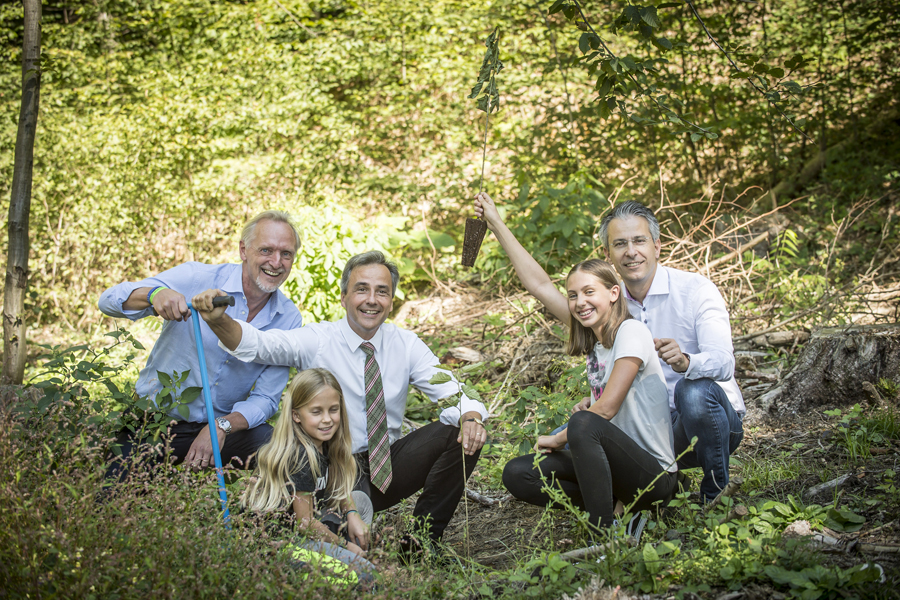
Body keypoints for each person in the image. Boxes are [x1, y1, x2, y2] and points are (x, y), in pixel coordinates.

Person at [191, 250, 489, 553]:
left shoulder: (406, 344)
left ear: (391, 301)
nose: (371, 299)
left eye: (381, 292)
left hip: (385, 464)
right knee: (345, 532)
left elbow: (455, 392)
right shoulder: (318, 339)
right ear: (344, 296)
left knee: (460, 433)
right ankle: (340, 526)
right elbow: (258, 345)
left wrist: (471, 418)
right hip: (333, 468)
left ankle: (421, 546)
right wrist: (219, 321)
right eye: (362, 289)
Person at [479, 193, 745, 503]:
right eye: (620, 244)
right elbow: (541, 288)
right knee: (548, 455)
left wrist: (687, 361)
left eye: (639, 241)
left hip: (706, 424)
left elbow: (724, 363)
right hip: (640, 429)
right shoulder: (604, 306)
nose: (631, 252)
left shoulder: (695, 291)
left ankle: (715, 495)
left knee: (693, 391)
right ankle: (632, 498)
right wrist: (496, 224)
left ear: (657, 246)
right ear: (608, 254)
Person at [473, 194, 677, 531]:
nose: (580, 302)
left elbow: (607, 409)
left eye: (589, 292)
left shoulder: (632, 332)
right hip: (611, 466)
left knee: (584, 421)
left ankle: (604, 530)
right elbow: (538, 284)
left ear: (614, 294)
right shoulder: (593, 341)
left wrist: (557, 439)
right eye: (573, 295)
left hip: (653, 476)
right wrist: (495, 222)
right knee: (519, 473)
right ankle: (616, 505)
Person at [98, 210, 304, 477]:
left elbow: (265, 399)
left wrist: (222, 426)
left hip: (222, 427)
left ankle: (274, 517)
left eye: (286, 254)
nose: (276, 262)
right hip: (156, 419)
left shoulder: (288, 317)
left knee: (288, 454)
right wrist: (154, 294)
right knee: (111, 498)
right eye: (266, 250)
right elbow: (108, 301)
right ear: (243, 250)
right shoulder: (197, 277)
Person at [242, 368, 376, 585]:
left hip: (307, 524)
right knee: (367, 575)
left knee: (360, 502)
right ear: (296, 415)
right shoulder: (300, 455)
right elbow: (305, 524)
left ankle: (341, 557)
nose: (327, 420)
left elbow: (340, 487)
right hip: (281, 544)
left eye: (333, 410)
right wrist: (344, 546)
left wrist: (351, 512)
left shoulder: (327, 441)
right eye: (316, 412)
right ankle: (311, 577)